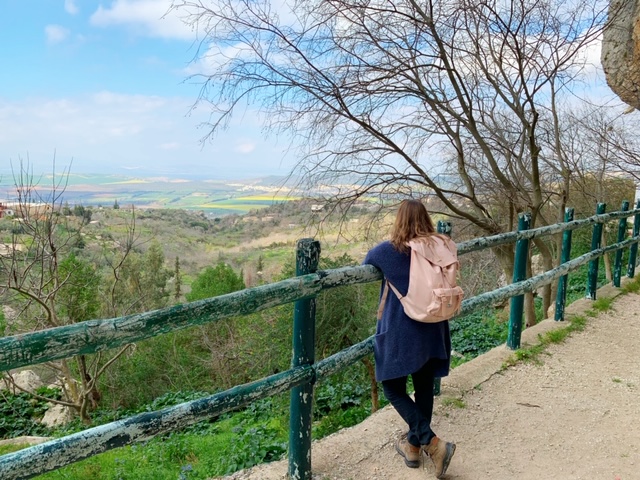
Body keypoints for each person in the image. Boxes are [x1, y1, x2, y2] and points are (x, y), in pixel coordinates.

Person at [363, 199, 456, 478]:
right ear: (426, 219)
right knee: (424, 385)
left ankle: (433, 443)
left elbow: (367, 261)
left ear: (399, 221)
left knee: (392, 386)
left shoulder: (387, 251)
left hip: (404, 329)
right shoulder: (440, 245)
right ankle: (413, 448)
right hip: (435, 323)